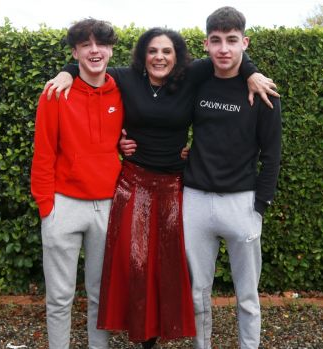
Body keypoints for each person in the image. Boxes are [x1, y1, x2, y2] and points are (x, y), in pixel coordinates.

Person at [45, 28, 278, 349]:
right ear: (143, 55)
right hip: (133, 184)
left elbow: (225, 54)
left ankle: (161, 332)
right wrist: (66, 72)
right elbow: (91, 65)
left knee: (167, 267)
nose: (159, 57)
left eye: (167, 51)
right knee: (136, 265)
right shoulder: (126, 78)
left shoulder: (190, 77)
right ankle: (142, 336)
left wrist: (251, 72)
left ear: (178, 56)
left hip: (174, 187)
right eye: (153, 51)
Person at [182, 7, 282, 349]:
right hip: (195, 201)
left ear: (245, 42)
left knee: (247, 296)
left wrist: (260, 206)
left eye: (232, 40)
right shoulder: (197, 78)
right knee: (197, 294)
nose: (224, 48)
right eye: (216, 41)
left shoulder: (263, 91)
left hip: (242, 204)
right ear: (206, 44)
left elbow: (272, 154)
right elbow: (150, 82)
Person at [30, 19, 123, 349]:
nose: (94, 51)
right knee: (59, 297)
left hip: (108, 206)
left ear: (111, 49)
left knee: (101, 295)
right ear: (75, 51)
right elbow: (43, 154)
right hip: (63, 205)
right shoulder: (56, 93)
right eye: (86, 45)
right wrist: (47, 207)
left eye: (101, 44)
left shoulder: (122, 91)